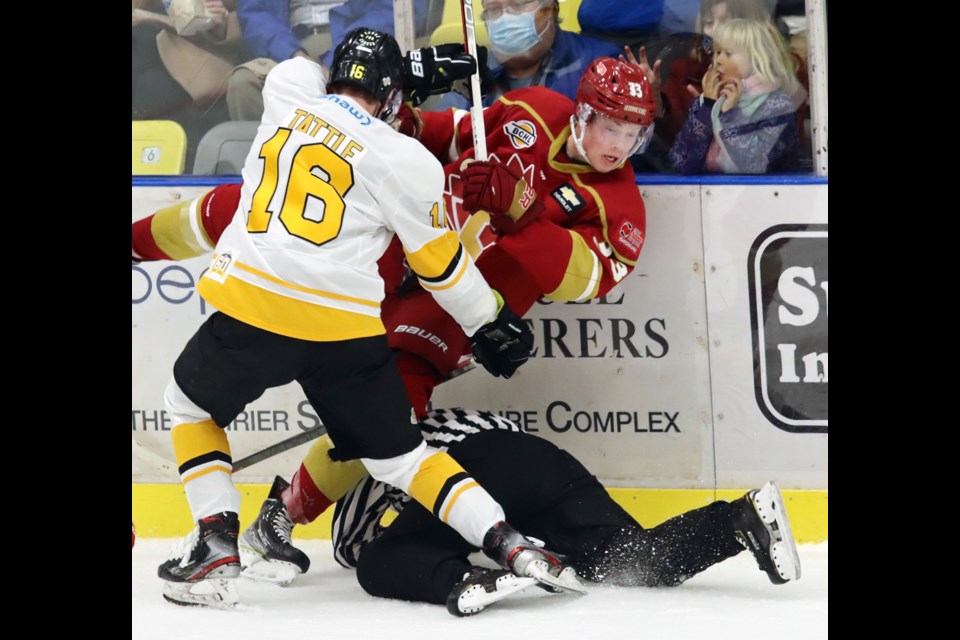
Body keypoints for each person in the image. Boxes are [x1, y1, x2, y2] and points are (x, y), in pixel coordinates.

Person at [135, 54, 660, 584]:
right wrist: (399, 110)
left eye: (633, 134)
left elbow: (583, 280)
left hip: (452, 305)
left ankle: (283, 514)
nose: (618, 145)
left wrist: (525, 217)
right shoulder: (534, 107)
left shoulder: (619, 204)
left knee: (399, 400)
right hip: (392, 239)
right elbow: (448, 133)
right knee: (241, 203)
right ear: (582, 113)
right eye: (610, 127)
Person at [328, 408, 801, 616]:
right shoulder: (418, 414)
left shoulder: (381, 446)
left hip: (475, 464)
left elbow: (352, 544)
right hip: (543, 461)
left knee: (377, 562)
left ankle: (462, 582)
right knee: (629, 559)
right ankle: (741, 519)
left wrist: (385, 551)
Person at [226, 0, 429, 120]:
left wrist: (341, 58)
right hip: (291, 41)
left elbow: (396, 9)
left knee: (359, 89)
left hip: (362, 38)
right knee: (243, 86)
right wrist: (295, 56)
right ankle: (275, 171)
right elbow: (254, 12)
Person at [668, 18, 806, 174]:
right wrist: (707, 108)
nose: (718, 60)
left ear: (757, 59)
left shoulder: (778, 104)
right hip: (708, 195)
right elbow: (681, 163)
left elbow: (754, 166)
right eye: (717, 52)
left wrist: (730, 115)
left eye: (728, 53)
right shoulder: (709, 101)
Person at [433, 0, 621, 111]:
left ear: (550, 9)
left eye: (517, 5)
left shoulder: (598, 63)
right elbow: (447, 138)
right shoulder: (470, 72)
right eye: (494, 10)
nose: (505, 19)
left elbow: (622, 149)